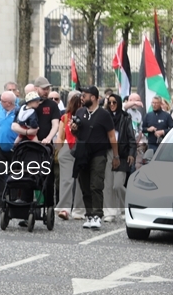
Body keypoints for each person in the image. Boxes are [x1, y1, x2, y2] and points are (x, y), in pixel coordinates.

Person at [70, 86, 119, 230]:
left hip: (98, 153)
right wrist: (74, 130)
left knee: (96, 185)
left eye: (84, 95)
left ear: (93, 97)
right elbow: (77, 135)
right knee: (84, 185)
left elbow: (112, 136)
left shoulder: (104, 115)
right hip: (83, 154)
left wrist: (116, 156)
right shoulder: (80, 112)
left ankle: (97, 215)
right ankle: (90, 214)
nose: (82, 98)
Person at [103, 94, 135, 222]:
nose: (111, 105)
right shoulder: (105, 117)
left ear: (119, 103)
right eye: (109, 102)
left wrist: (131, 153)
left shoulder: (126, 117)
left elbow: (131, 137)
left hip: (122, 153)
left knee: (118, 185)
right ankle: (110, 212)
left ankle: (125, 207)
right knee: (108, 185)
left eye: (114, 102)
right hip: (107, 151)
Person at [56, 91, 86, 220]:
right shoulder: (67, 117)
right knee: (72, 181)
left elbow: (60, 138)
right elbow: (60, 137)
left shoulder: (68, 117)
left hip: (75, 149)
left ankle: (72, 210)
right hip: (71, 148)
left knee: (74, 181)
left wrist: (59, 151)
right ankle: (70, 210)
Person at [0, 90, 18, 210]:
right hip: (0, 148)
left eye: (2, 101)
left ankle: (13, 199)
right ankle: (0, 199)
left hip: (15, 148)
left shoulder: (19, 112)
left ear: (9, 103)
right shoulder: (0, 110)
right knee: (0, 173)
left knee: (15, 175)